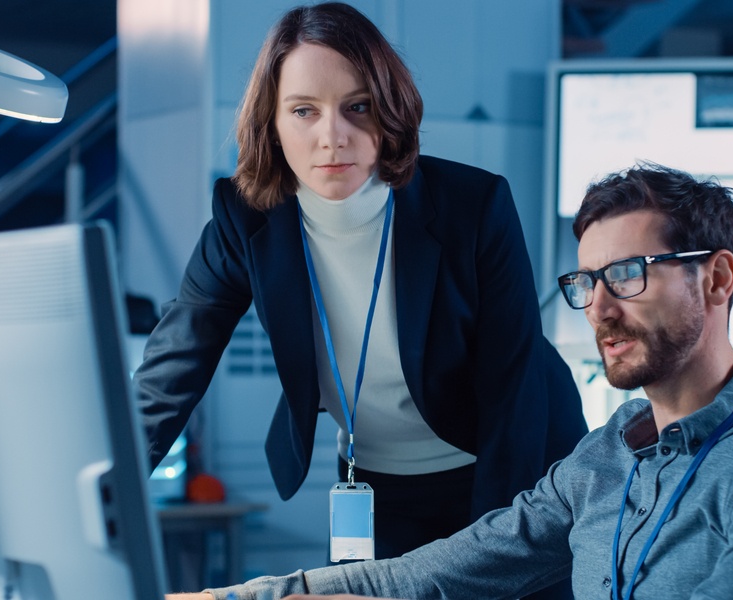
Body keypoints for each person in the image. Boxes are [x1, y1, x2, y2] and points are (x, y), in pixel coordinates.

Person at [167, 162, 733, 600]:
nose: (599, 307)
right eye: (585, 283)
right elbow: (437, 571)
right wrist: (250, 597)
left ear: (715, 279)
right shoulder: (604, 456)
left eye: (626, 274)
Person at [133, 0, 587, 583]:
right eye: (303, 110)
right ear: (271, 122)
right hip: (375, 480)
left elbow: (515, 389)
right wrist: (104, 489)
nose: (333, 137)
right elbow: (177, 361)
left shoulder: (473, 207)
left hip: (509, 468)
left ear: (390, 112)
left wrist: (493, 554)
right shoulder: (244, 218)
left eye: (358, 107)